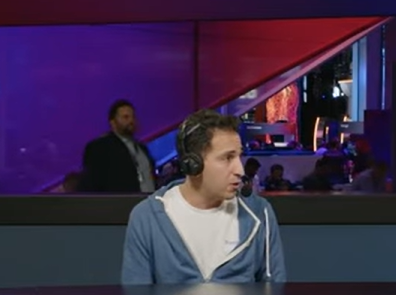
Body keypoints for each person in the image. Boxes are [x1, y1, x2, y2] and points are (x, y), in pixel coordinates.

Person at [121, 110, 286, 284]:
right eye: (227, 158)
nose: (240, 170)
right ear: (193, 164)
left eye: (239, 156)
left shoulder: (260, 212)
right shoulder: (147, 217)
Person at [80, 99, 155, 193]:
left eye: (133, 117)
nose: (131, 121)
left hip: (148, 202)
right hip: (121, 204)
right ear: (113, 122)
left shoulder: (142, 148)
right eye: (125, 117)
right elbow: (92, 183)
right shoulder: (100, 148)